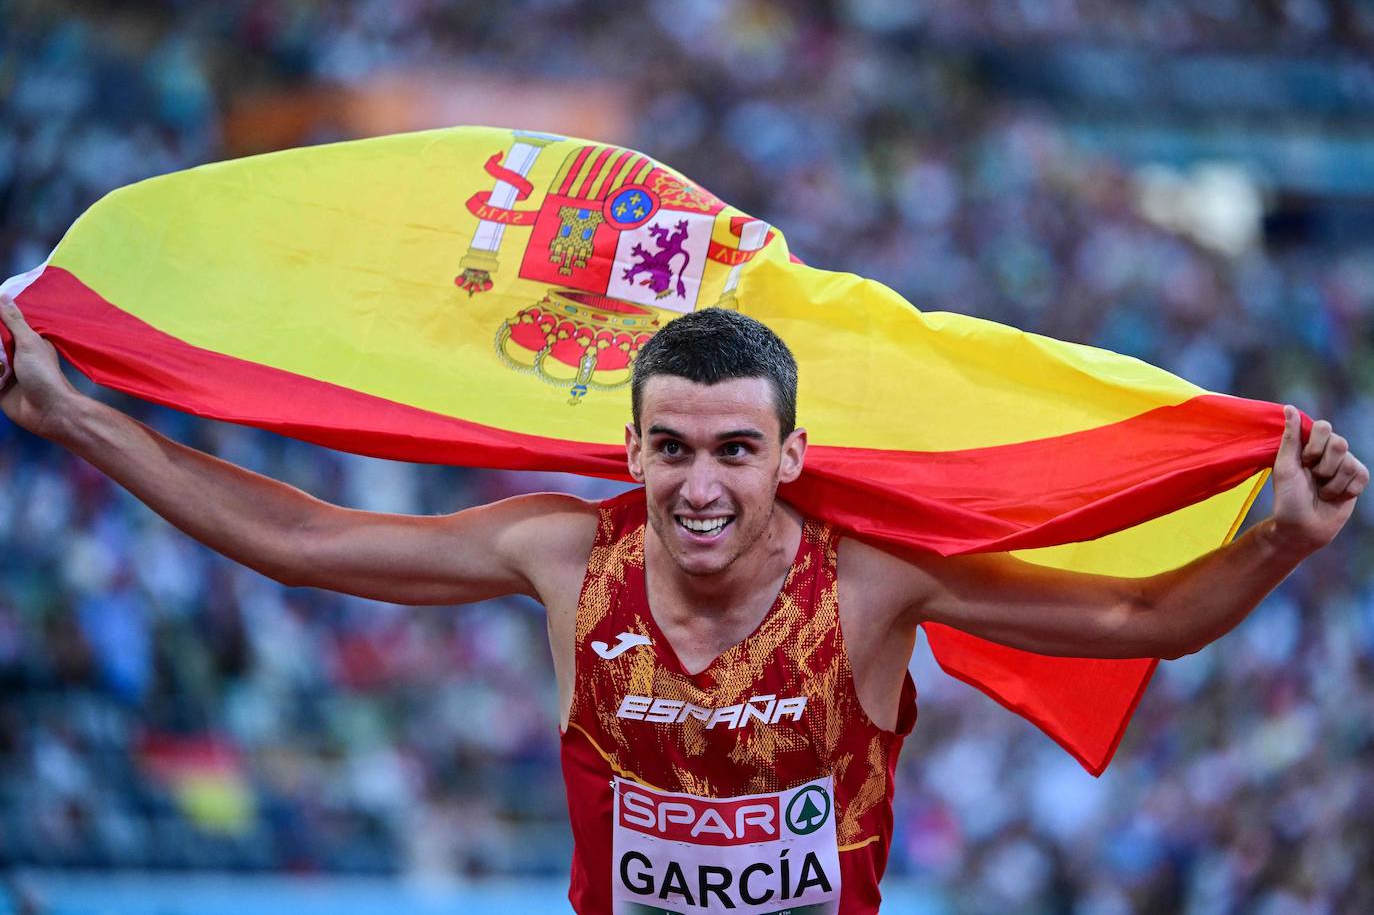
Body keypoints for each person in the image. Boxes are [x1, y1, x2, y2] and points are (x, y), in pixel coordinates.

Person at [0, 296, 1366, 914]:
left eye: (731, 451)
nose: (699, 485)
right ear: (631, 450)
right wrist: (75, 419)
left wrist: (1281, 543)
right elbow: (303, 540)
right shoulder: (554, 554)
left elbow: (1136, 624)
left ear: (788, 458)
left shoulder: (876, 579)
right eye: (671, 448)